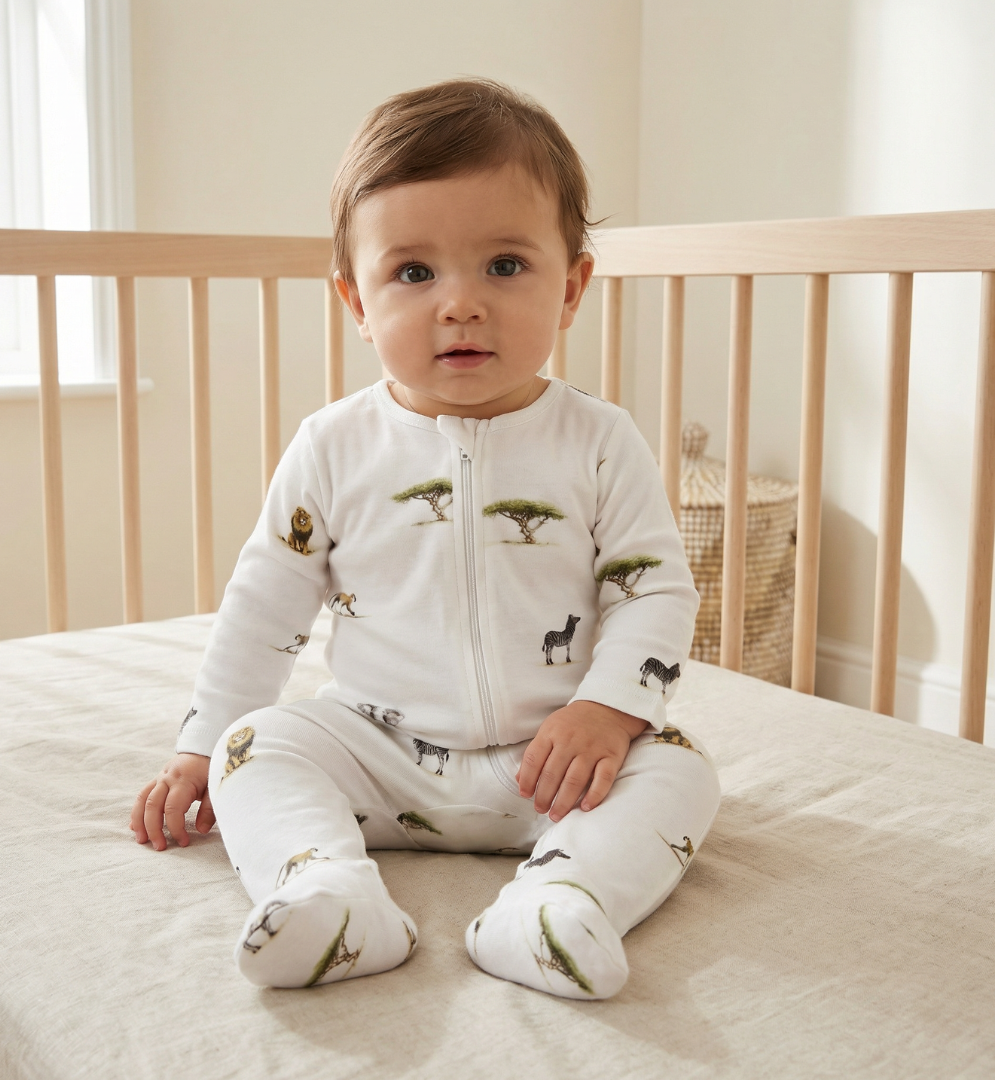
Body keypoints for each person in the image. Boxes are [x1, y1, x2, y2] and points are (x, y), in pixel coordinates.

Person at [131, 78, 719, 1000]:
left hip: (555, 765)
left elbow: (653, 589)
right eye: (413, 273)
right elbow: (265, 605)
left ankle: (557, 902)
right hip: (381, 752)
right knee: (257, 746)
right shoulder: (333, 445)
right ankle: (328, 892)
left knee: (681, 769)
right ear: (356, 301)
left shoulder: (600, 440)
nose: (460, 304)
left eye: (505, 265)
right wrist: (202, 747)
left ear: (571, 289)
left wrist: (609, 711)